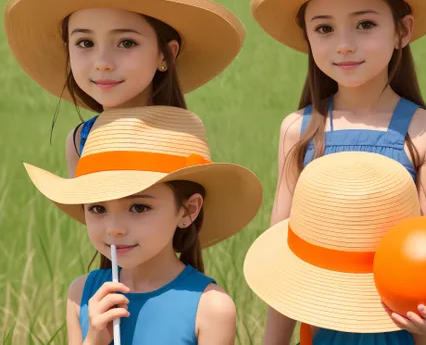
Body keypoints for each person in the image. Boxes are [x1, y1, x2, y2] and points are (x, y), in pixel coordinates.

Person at [250, 0, 426, 344]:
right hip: (318, 329)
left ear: (402, 31)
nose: (344, 43)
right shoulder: (298, 130)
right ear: (307, 38)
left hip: (393, 331)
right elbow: (283, 256)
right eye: (324, 28)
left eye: (365, 24)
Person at [23, 105, 263, 344]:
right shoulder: (81, 294)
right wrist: (94, 339)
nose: (114, 228)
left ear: (188, 210)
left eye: (139, 207)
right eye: (98, 208)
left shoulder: (211, 309)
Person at [4, 0, 246, 177]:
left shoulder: (180, 138)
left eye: (126, 43)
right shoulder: (79, 142)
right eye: (85, 43)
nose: (103, 62)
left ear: (167, 54)